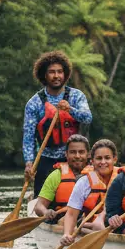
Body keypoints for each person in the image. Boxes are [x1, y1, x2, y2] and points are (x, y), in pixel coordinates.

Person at [22, 50, 92, 196]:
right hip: (46, 158)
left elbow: (87, 118)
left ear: (65, 74)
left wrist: (70, 109)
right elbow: (28, 136)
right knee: (44, 198)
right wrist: (29, 163)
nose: (56, 76)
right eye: (51, 72)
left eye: (60, 72)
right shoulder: (34, 103)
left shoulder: (76, 96)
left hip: (74, 158)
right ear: (44, 75)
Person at [60, 139, 118, 246]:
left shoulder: (122, 179)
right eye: (99, 158)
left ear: (115, 159)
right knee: (96, 226)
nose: (103, 162)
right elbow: (71, 214)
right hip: (90, 224)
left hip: (117, 224)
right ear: (92, 161)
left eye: (107, 158)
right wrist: (67, 234)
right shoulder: (84, 182)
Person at [31, 134, 91, 221]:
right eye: (73, 152)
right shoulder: (56, 175)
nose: (77, 156)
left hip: (87, 220)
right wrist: (46, 212)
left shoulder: (97, 175)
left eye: (81, 152)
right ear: (66, 154)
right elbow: (39, 206)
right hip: (60, 219)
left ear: (88, 154)